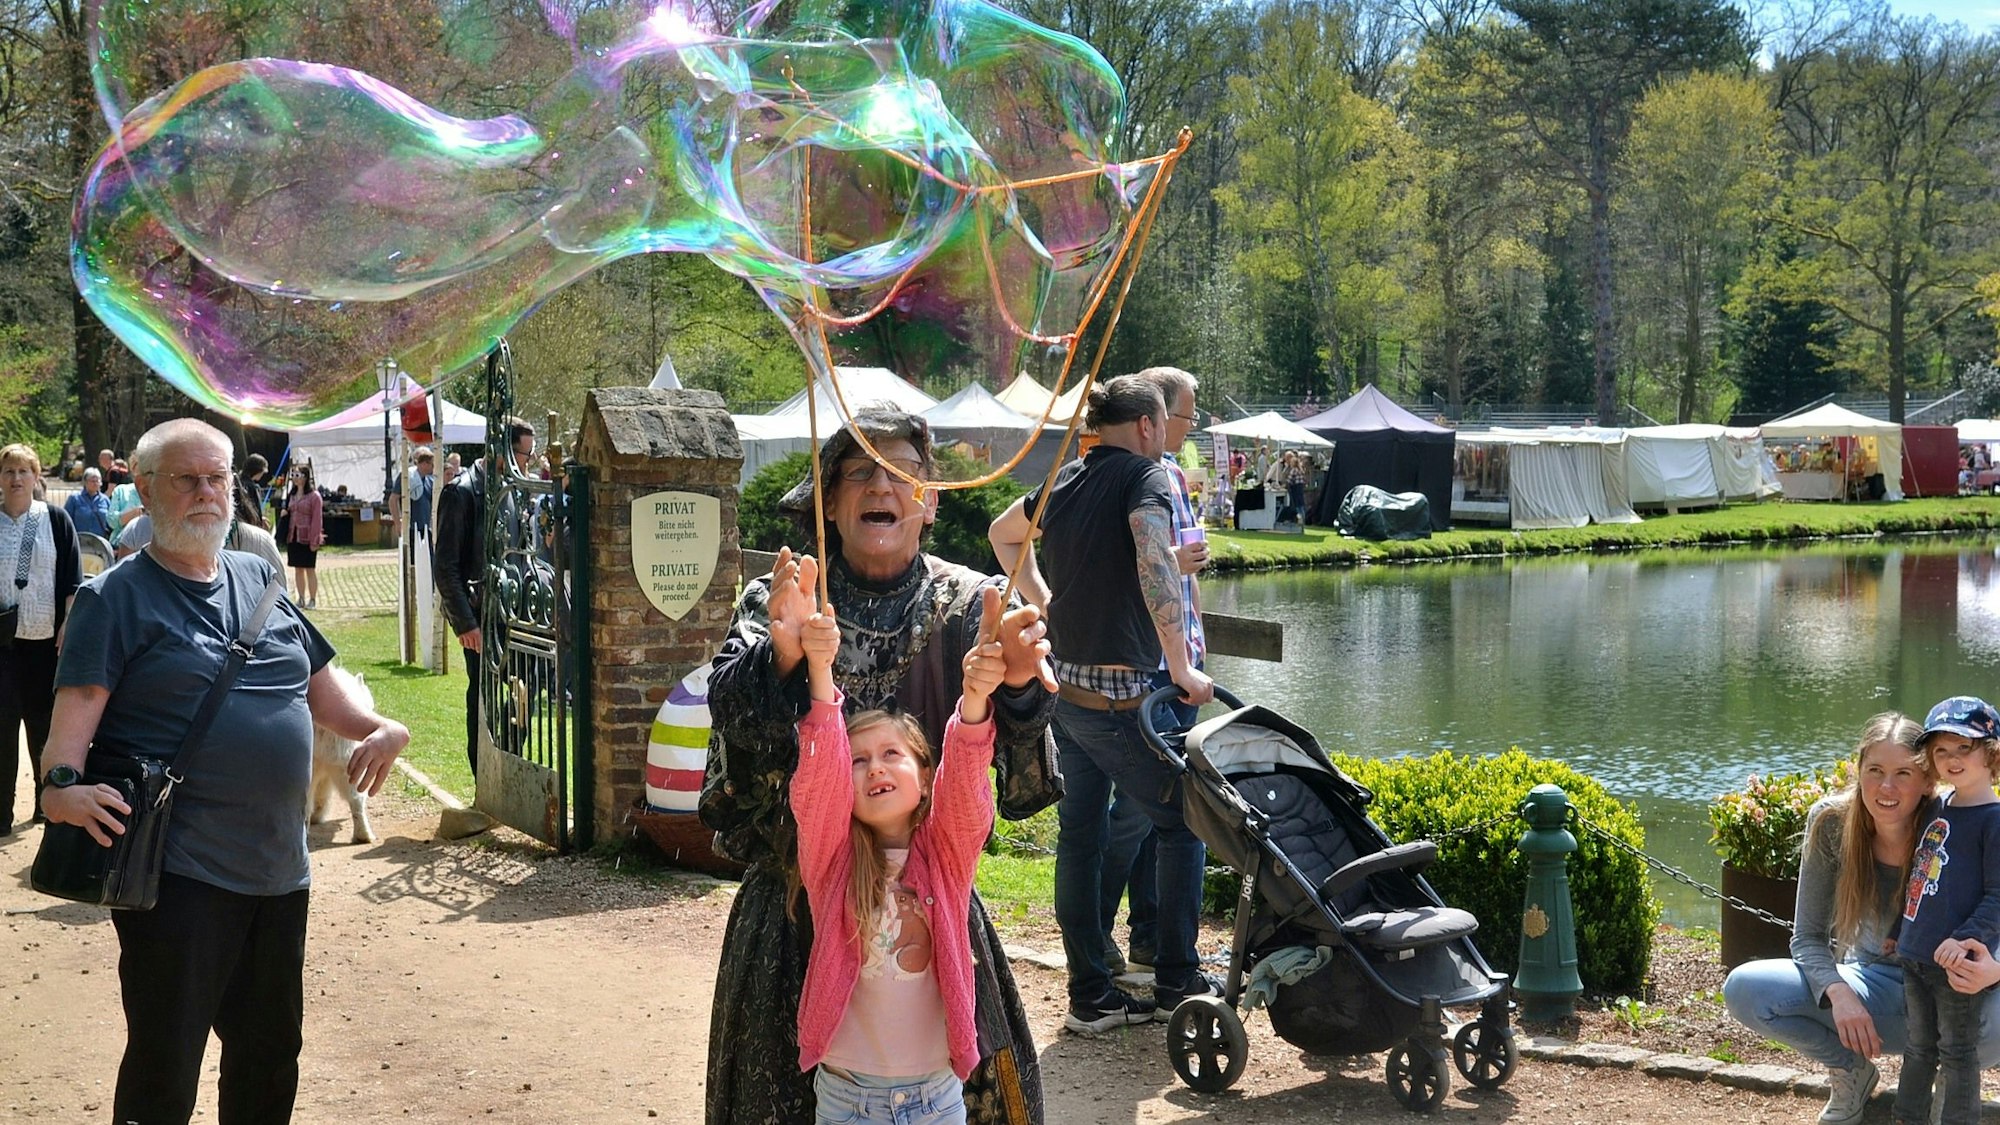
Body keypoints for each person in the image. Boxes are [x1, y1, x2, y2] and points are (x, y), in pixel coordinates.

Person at [38, 418, 408, 1125]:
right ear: (144, 490)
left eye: (218, 478)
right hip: (178, 879)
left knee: (270, 1058)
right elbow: (65, 742)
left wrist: (383, 727)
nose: (206, 493)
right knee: (164, 1064)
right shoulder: (112, 599)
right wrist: (63, 792)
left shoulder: (260, 577)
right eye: (187, 479)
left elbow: (325, 694)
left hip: (280, 871)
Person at [701, 408, 1059, 1125]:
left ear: (927, 501)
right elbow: (728, 713)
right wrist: (785, 655)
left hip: (932, 921)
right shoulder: (783, 596)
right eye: (858, 472)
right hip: (792, 927)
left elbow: (1014, 775)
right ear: (829, 503)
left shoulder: (971, 603)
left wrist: (1015, 682)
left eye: (900, 471)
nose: (879, 485)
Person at [988, 374, 1216, 1035]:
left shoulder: (1063, 481)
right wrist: (1181, 664)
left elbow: (1003, 535)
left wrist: (1042, 600)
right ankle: (1177, 981)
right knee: (1183, 825)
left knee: (1079, 841)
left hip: (1069, 702)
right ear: (1147, 426)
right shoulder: (1145, 477)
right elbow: (1154, 555)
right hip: (1124, 704)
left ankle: (1091, 995)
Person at [789, 551, 1004, 1125]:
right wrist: (819, 672)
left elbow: (965, 789)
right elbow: (818, 785)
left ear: (924, 775)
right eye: (859, 761)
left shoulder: (946, 858)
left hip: (936, 1099)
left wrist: (977, 700)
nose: (876, 768)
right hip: (846, 1099)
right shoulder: (831, 860)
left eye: (892, 754)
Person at [1722, 711, 2000, 1125]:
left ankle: (1952, 1083)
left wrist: (1993, 970)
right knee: (1747, 988)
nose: (1887, 787)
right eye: (1875, 771)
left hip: (1962, 990)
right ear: (1859, 772)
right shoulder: (1832, 822)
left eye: (1904, 773)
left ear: (1929, 781)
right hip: (1874, 986)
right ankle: (1852, 1073)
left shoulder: (1962, 818)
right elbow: (1808, 938)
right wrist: (1839, 992)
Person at [1095, 366, 1210, 978]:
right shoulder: (1146, 476)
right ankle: (1111, 934)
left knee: (1145, 818)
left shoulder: (1164, 475)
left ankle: (1143, 934)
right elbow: (1137, 563)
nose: (1189, 428)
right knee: (1147, 812)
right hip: (1156, 670)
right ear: (1155, 419)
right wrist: (1173, 560)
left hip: (1176, 660)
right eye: (1186, 417)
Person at [1894, 696, 2000, 1125]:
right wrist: (1894, 929)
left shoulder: (1994, 820)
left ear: (1991, 752)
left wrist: (1962, 940)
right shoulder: (1936, 808)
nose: (1952, 759)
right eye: (1942, 750)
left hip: (1955, 965)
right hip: (1914, 954)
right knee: (1917, 1047)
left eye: (1965, 748)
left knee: (1957, 1054)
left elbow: (1997, 896)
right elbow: (1917, 878)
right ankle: (1908, 1117)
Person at [436, 417, 536, 781]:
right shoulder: (461, 492)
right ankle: (486, 778)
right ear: (502, 451)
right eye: (525, 454)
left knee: (526, 692)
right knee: (484, 697)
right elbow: (445, 566)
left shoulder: (513, 491)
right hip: (478, 616)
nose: (529, 462)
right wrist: (466, 623)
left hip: (515, 614)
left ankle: (510, 762)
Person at [0, 444, 82, 834]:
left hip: (45, 642)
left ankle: (45, 805)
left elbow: (73, 578)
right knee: (1, 729)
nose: (16, 479)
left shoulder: (55, 519)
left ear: (36, 477)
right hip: (1, 646)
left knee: (43, 727)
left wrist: (69, 623)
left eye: (23, 471)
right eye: (8, 471)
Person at [285, 464, 324, 608]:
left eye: (298, 475)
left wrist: (315, 539)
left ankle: (312, 599)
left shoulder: (314, 496)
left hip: (307, 536)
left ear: (305, 477)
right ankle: (300, 597)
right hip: (293, 535)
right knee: (298, 568)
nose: (295, 478)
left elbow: (317, 518)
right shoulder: (292, 495)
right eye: (293, 475)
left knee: (309, 568)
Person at [64, 466, 115, 540]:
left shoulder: (105, 500)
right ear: (85, 482)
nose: (95, 483)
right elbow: (66, 520)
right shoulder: (74, 499)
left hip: (100, 542)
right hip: (79, 541)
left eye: (98, 481)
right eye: (92, 481)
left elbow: (111, 522)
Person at [232, 452, 270, 531]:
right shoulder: (252, 487)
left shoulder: (237, 483)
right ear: (258, 470)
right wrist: (259, 520)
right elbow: (256, 508)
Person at [407, 447, 437, 543]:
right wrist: (398, 522)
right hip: (411, 528)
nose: (433, 467)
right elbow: (393, 499)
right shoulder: (407, 477)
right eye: (432, 464)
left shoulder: (431, 481)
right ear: (424, 464)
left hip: (427, 528)